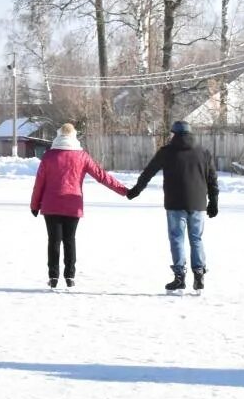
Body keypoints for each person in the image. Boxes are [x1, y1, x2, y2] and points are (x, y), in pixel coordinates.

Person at [29, 122, 129, 290]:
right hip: (72, 205)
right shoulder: (82, 156)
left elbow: (39, 183)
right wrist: (124, 191)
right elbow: (101, 175)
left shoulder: (49, 156)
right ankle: (70, 276)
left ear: (58, 135)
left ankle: (53, 276)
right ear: (74, 136)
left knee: (54, 240)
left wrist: (34, 204)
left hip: (51, 204)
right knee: (69, 240)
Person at [127, 121, 220, 293]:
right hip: (198, 203)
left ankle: (179, 277)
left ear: (174, 134)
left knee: (177, 238)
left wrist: (136, 190)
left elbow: (148, 172)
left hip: (175, 203)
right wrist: (213, 201)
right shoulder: (203, 152)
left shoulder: (166, 152)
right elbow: (212, 179)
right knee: (196, 238)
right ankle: (199, 273)